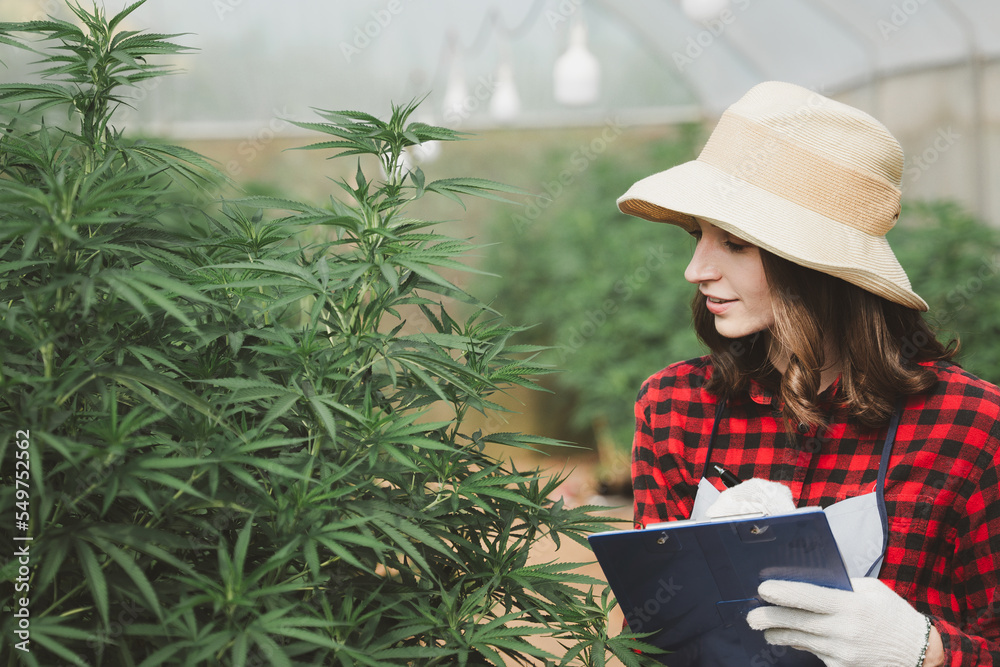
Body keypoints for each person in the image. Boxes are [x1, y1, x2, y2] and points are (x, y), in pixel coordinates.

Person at [616, 80, 1000, 667]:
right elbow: (644, 643)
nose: (697, 268)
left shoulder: (971, 427)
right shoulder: (676, 408)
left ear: (817, 266)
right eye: (699, 235)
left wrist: (928, 652)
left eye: (736, 244)